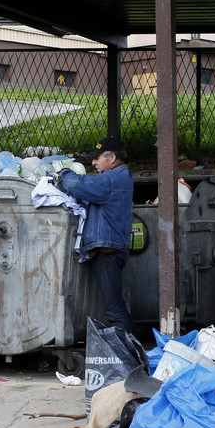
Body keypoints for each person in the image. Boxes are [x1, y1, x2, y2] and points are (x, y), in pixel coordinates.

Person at [54, 136, 135, 337]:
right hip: (109, 250)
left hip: (107, 254)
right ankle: (131, 353)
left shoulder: (112, 180)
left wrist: (63, 172)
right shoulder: (120, 177)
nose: (93, 163)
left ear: (112, 157)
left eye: (97, 158)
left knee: (114, 309)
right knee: (113, 306)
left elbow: (80, 185)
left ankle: (132, 356)